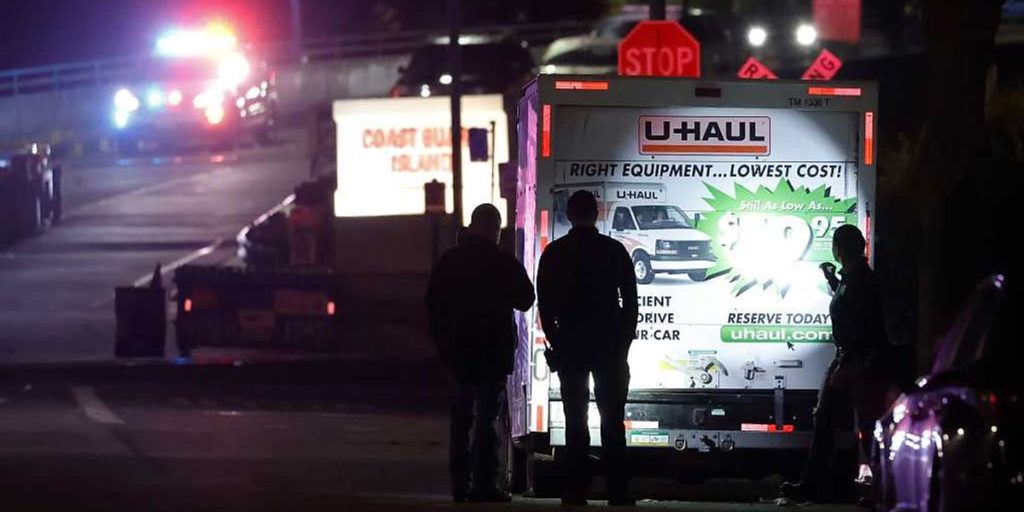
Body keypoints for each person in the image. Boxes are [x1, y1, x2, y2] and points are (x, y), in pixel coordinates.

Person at [426, 204, 536, 503]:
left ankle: (460, 485)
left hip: (458, 353)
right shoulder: (502, 262)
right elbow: (526, 298)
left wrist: (443, 346)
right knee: (487, 421)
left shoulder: (450, 261)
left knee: (461, 419)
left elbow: (433, 307)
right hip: (492, 354)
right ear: (496, 230)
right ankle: (484, 484)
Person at [536, 190, 639, 506]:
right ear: (597, 215)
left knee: (575, 420)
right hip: (608, 345)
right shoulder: (613, 250)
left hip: (571, 346)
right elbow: (630, 301)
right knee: (612, 420)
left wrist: (557, 340)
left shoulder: (555, 252)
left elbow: (545, 303)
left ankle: (576, 490)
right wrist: (623, 340)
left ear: (569, 215)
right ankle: (618, 492)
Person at [781, 224, 889, 503]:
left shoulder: (861, 280)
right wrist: (832, 280)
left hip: (857, 362)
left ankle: (881, 489)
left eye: (836, 244)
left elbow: (864, 323)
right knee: (827, 420)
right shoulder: (853, 277)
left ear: (840, 248)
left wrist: (849, 361)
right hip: (849, 359)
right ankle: (812, 485)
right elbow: (847, 305)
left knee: (863, 426)